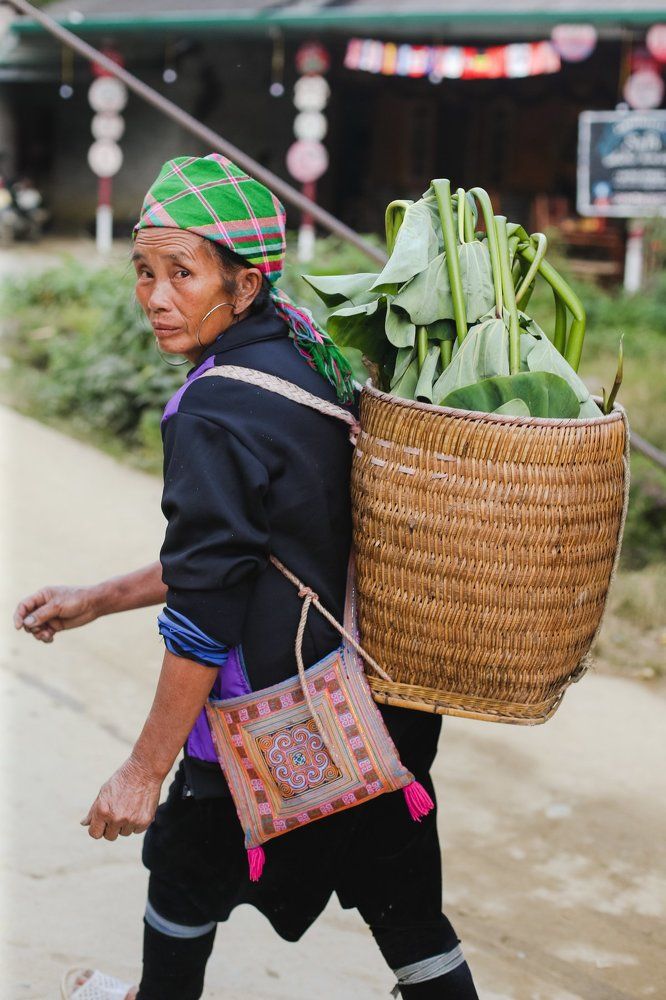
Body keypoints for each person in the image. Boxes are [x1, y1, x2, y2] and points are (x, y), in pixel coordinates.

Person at [14, 154, 478, 1000]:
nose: (156, 296)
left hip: (264, 728)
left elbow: (205, 607)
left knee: (184, 878)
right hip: (375, 716)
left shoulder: (216, 408)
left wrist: (142, 771)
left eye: (182, 273)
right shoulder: (307, 355)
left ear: (243, 282)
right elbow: (251, 547)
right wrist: (98, 598)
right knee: (411, 916)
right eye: (145, 272)